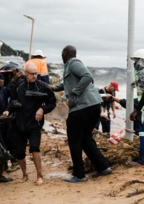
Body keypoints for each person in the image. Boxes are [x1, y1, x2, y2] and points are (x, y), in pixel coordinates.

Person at [52, 45, 112, 183]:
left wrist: (74, 93)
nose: (61, 55)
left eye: (62, 53)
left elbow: (87, 76)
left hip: (82, 107)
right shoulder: (69, 67)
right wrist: (54, 88)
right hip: (92, 105)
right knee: (85, 138)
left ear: (66, 54)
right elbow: (68, 84)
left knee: (74, 139)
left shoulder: (73, 63)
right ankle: (103, 167)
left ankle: (79, 175)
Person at [8, 62, 56, 185]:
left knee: (35, 148)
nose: (34, 76)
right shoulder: (18, 86)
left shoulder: (43, 87)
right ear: (25, 74)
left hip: (35, 123)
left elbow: (52, 103)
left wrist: (42, 109)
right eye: (32, 74)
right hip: (19, 123)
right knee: (19, 152)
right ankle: (24, 174)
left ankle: (39, 175)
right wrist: (8, 110)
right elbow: (12, 100)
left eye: (36, 74)